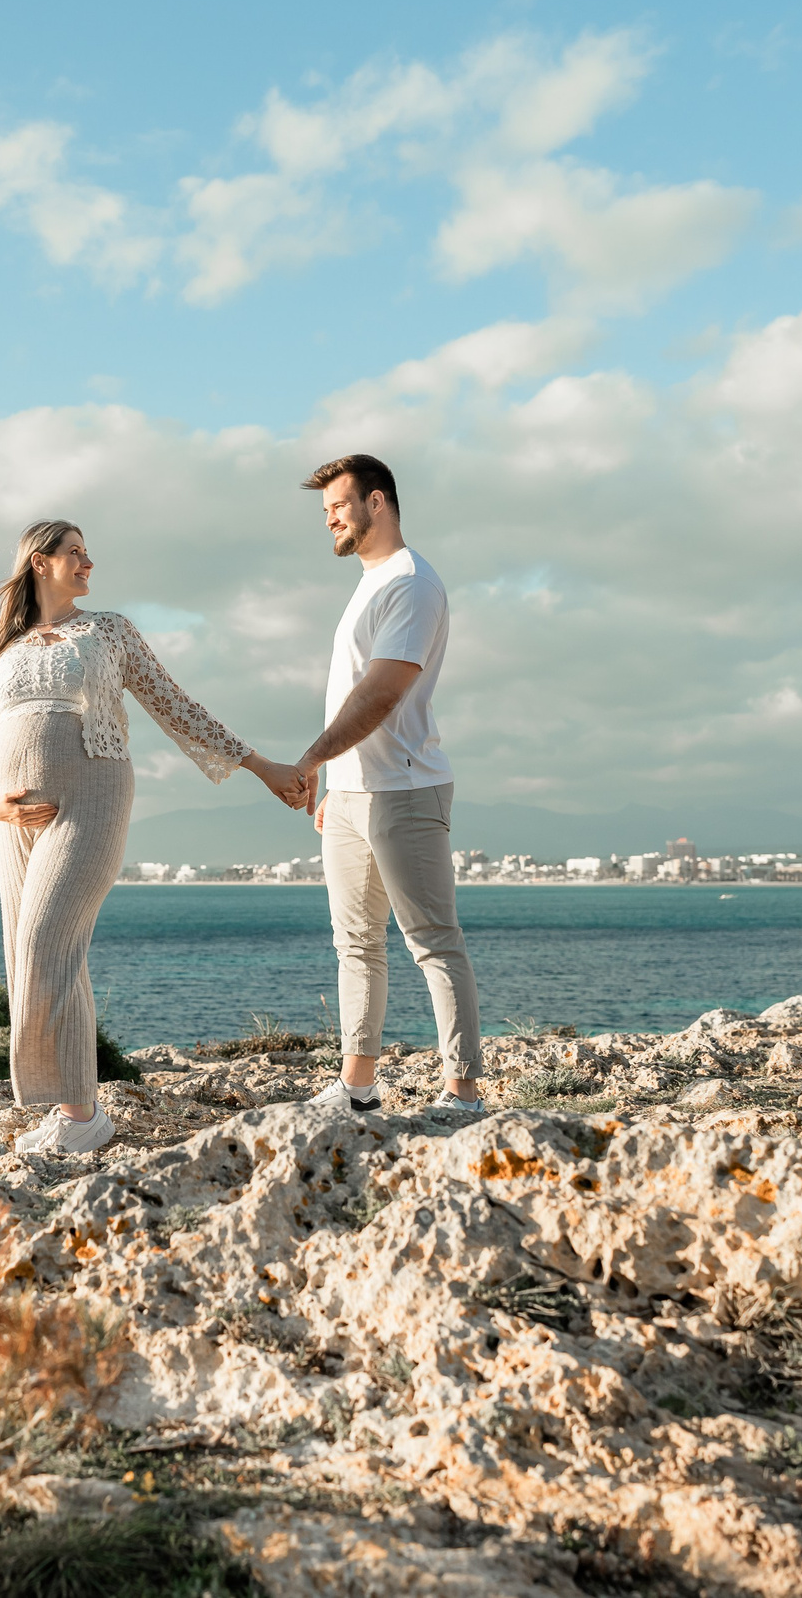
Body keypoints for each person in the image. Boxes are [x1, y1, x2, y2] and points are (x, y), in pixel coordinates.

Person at [0, 520, 309, 1153]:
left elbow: (175, 704)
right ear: (40, 562)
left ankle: (80, 1115)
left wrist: (259, 765)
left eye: (88, 554)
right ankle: (73, 1109)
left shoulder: (108, 631)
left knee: (45, 940)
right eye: (75, 554)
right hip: (10, 821)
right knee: (32, 952)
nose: (89, 564)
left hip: (92, 795)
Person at [283, 456, 484, 1119]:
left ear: (377, 501)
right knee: (357, 944)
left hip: (404, 789)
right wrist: (336, 781)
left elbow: (381, 694)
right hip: (351, 794)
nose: (331, 519)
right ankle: (357, 1088)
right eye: (324, 512)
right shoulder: (370, 583)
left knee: (432, 941)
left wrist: (312, 758)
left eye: (339, 505)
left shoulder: (412, 583)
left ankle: (462, 1093)